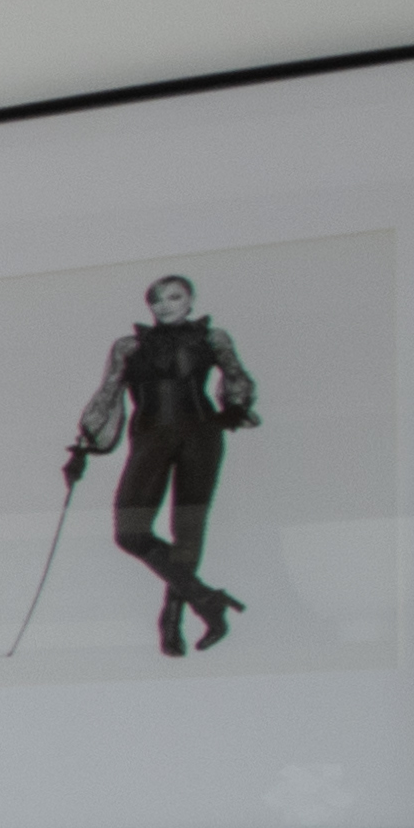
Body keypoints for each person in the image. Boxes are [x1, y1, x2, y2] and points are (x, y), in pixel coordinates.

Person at [68, 272, 264, 658]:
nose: (165, 305)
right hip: (150, 439)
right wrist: (83, 447)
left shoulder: (213, 338)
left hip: (201, 438)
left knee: (187, 532)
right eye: (157, 299)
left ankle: (172, 619)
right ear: (149, 306)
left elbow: (237, 377)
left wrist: (234, 408)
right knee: (130, 532)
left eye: (174, 297)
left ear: (190, 300)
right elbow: (108, 393)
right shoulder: (129, 346)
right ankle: (207, 600)